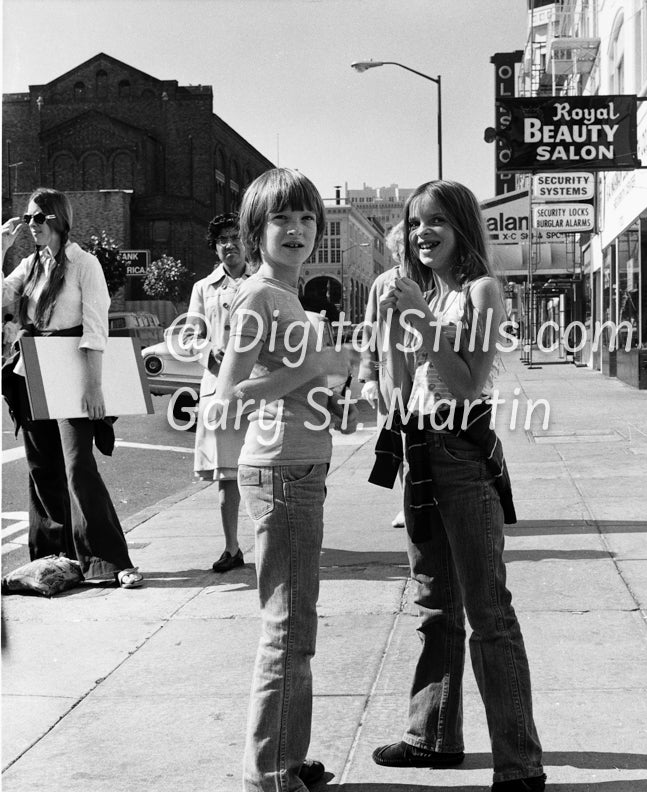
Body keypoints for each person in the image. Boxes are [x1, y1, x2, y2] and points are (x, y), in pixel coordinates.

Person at [369, 180, 546, 792]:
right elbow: (397, 386)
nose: (424, 232)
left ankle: (520, 765)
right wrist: (392, 322)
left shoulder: (480, 292)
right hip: (417, 446)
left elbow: (468, 383)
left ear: (463, 227)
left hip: (463, 451)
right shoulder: (424, 291)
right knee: (432, 604)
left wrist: (419, 314)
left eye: (438, 221)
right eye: (416, 222)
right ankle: (432, 737)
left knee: (488, 612)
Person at [214, 168, 352, 792]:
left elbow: (293, 385)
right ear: (255, 232)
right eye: (280, 220)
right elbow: (230, 397)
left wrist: (333, 398)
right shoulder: (257, 297)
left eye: (304, 219)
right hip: (279, 470)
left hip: (299, 463)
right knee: (288, 627)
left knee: (297, 626)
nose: (295, 230)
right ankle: (270, 776)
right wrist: (316, 364)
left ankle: (287, 761)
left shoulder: (288, 297)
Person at [1, 188, 142, 588]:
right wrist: (2, 247)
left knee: (78, 466)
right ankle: (52, 559)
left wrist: (94, 387)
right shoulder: (29, 265)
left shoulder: (84, 264)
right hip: (33, 368)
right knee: (41, 466)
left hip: (73, 367)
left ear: (59, 220)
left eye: (39, 218)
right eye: (28, 219)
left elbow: (96, 328)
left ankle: (109, 560)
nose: (32, 225)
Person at [184, 212, 250, 572]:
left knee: (266, 467)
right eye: (223, 239)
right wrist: (210, 352)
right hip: (220, 389)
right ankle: (232, 547)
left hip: (259, 387)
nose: (230, 244)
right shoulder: (203, 288)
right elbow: (190, 336)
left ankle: (277, 540)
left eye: (236, 237)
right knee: (228, 474)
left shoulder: (263, 282)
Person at [358, 222, 410, 528]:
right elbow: (370, 331)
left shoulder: (435, 279)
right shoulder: (383, 282)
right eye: (401, 245)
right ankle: (408, 502)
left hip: (427, 376)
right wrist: (371, 377)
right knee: (397, 444)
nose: (407, 249)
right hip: (392, 375)